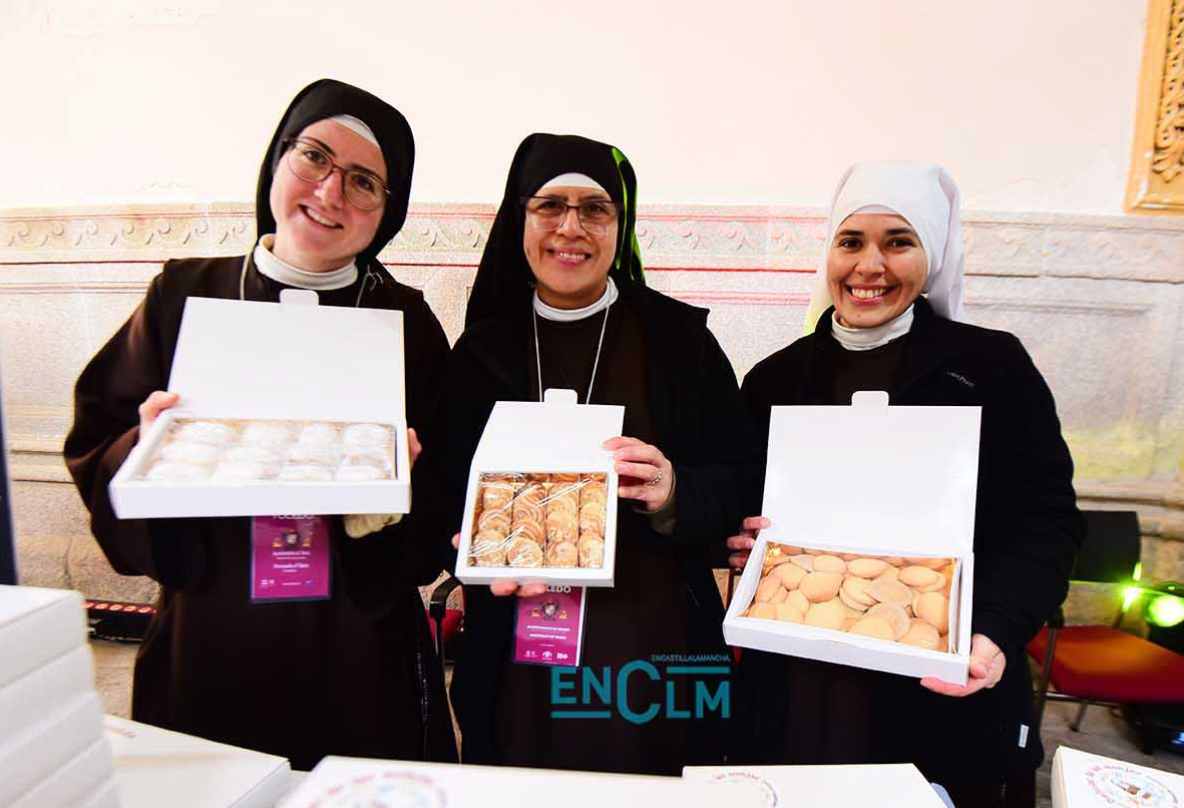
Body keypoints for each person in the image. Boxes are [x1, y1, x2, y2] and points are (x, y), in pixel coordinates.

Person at [64, 79, 457, 769]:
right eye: (314, 157)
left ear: (386, 211)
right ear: (275, 162)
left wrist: (399, 493)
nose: (331, 193)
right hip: (214, 632)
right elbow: (97, 442)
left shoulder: (409, 322)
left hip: (358, 647)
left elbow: (451, 491)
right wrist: (144, 446)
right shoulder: (182, 294)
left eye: (364, 181)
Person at [727, 162, 1082, 807]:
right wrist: (743, 541)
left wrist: (995, 632)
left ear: (934, 256)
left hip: (935, 677)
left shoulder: (991, 368)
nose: (870, 266)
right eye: (851, 241)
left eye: (898, 242)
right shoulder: (776, 380)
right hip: (802, 681)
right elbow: (743, 503)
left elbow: (1047, 521)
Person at [414, 133, 753, 774]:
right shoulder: (482, 352)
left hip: (650, 651)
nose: (571, 227)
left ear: (620, 228)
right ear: (521, 219)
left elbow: (742, 480)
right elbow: (442, 495)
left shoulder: (681, 344)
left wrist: (677, 491)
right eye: (550, 206)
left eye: (595, 208)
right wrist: (463, 533)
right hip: (518, 648)